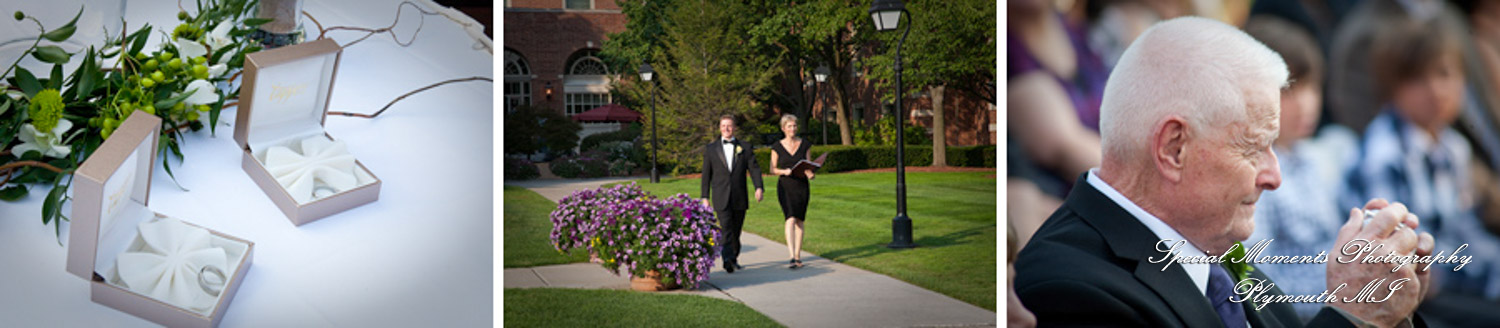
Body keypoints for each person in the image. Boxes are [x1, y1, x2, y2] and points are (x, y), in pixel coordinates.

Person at [1014, 17, 1436, 327]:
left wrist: (1390, 311)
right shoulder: (1067, 288)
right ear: (1174, 148)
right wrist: (1351, 315)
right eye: (1254, 147)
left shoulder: (1212, 250)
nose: (1274, 176)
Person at [1240, 15, 1359, 321]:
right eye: (1290, 91)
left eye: (1313, 88)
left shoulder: (1313, 158)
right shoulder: (1253, 174)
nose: (1306, 104)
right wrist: (1348, 291)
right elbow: (1258, 280)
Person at [701, 114, 764, 274]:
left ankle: (734, 257)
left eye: (729, 126)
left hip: (739, 195)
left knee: (736, 230)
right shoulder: (711, 149)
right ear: (719, 128)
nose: (726, 129)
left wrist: (758, 187)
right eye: (723, 126)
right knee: (726, 227)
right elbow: (706, 174)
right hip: (720, 195)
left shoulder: (745, 147)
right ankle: (727, 259)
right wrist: (705, 196)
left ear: (734, 128)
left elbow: (754, 168)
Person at [769, 114, 814, 269]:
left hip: (802, 186)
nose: (792, 129)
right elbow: (772, 169)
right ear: (783, 128)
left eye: (794, 126)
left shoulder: (805, 145)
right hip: (785, 186)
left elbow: (808, 166)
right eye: (789, 126)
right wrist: (784, 171)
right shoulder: (776, 146)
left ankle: (798, 255)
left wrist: (810, 173)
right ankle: (791, 256)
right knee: (790, 217)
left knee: (800, 219)